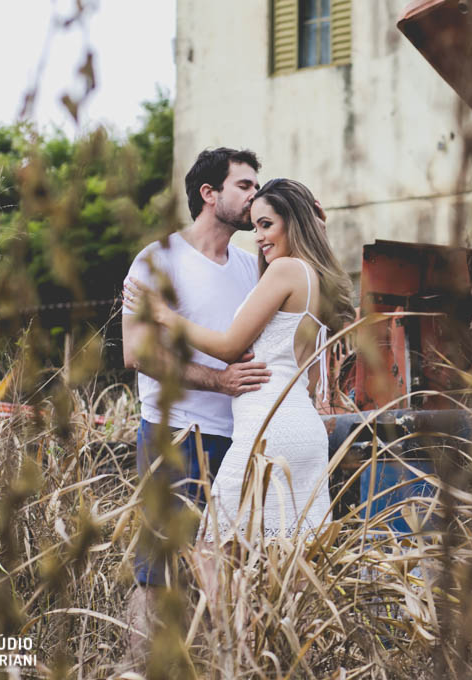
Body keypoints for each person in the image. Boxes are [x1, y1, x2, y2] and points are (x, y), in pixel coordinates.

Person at [125, 178, 355, 547]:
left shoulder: (284, 271)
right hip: (303, 428)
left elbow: (231, 346)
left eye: (267, 225)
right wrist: (319, 233)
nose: (259, 237)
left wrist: (163, 316)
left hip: (267, 429)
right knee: (288, 559)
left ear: (293, 222)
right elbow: (312, 378)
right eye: (256, 227)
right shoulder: (316, 280)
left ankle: (225, 610)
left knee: (211, 552)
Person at [120, 148, 271, 651]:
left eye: (256, 186)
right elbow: (137, 354)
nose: (255, 196)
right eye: (245, 186)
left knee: (222, 572)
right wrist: (218, 381)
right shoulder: (157, 259)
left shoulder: (253, 267)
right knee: (159, 571)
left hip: (240, 440)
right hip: (176, 433)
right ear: (209, 194)